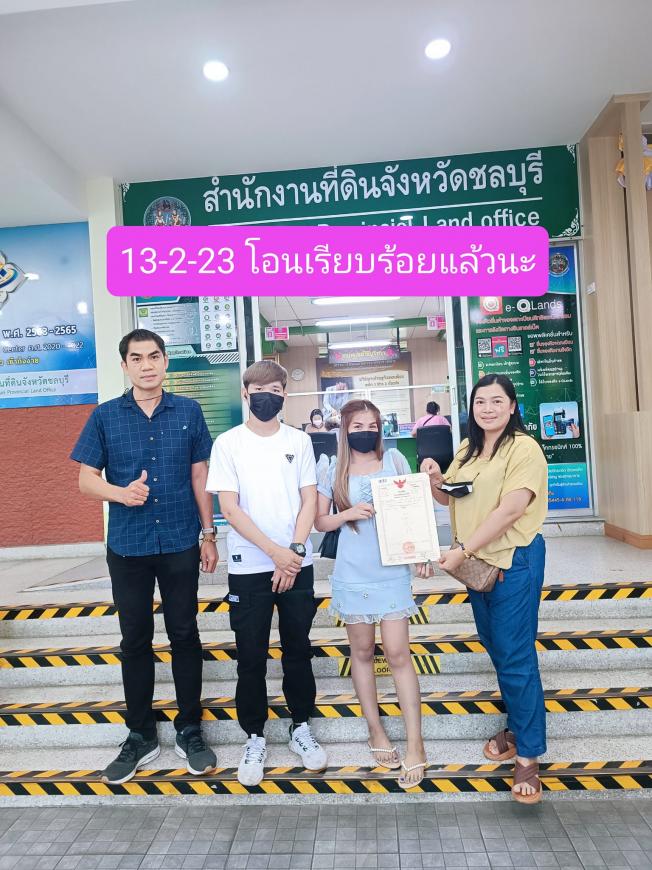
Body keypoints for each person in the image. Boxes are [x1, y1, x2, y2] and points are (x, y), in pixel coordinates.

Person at [70, 328, 218, 784]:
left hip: (179, 540)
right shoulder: (104, 416)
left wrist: (209, 534)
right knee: (134, 639)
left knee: (184, 634)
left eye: (154, 356)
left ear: (166, 361)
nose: (147, 365)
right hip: (128, 545)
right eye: (137, 358)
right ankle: (140, 734)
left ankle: (190, 729)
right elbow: (85, 480)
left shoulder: (189, 411)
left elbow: (200, 477)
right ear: (125, 365)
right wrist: (120, 493)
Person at [421, 374, 548, 804]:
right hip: (478, 566)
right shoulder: (468, 449)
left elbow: (512, 509)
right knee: (497, 647)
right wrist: (436, 478)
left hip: (513, 561)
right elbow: (451, 497)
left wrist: (462, 550)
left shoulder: (524, 449)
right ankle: (518, 726)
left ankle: (528, 754)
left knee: (515, 655)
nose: (488, 409)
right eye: (480, 401)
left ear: (512, 406)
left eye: (497, 401)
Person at [206, 360, 327, 787]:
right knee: (251, 655)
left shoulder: (299, 441)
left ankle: (301, 727)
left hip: (296, 562)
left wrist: (294, 552)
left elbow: (309, 500)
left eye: (276, 389)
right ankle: (254, 736)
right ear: (246, 394)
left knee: (298, 649)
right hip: (250, 566)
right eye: (259, 390)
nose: (267, 397)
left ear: (284, 395)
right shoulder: (228, 444)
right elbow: (230, 508)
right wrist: (276, 553)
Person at [315, 399, 430, 789]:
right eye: (358, 425)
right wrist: (347, 514)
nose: (366, 431)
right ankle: (375, 731)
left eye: (372, 425)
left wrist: (423, 554)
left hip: (392, 572)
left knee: (398, 653)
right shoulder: (332, 468)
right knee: (362, 652)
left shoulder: (395, 461)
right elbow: (320, 521)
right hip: (352, 574)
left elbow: (414, 511)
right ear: (345, 430)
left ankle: (415, 743)